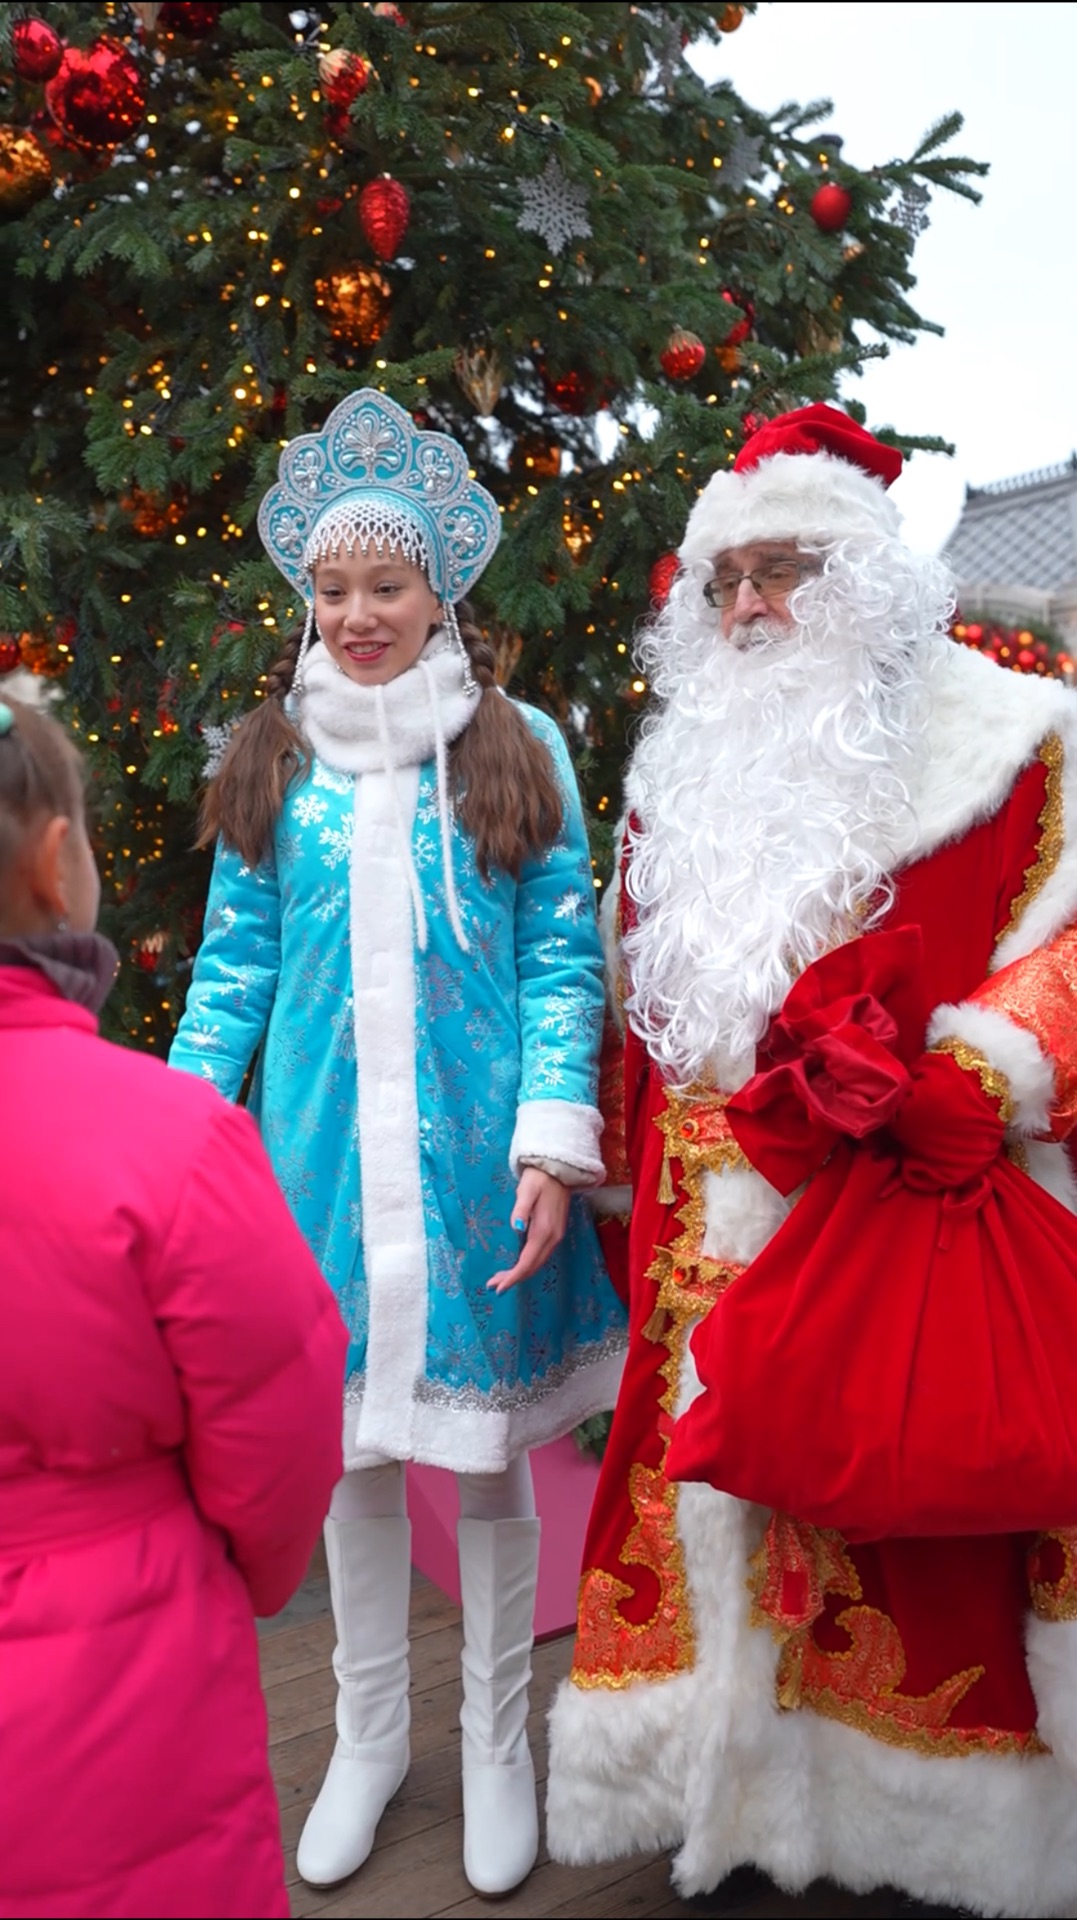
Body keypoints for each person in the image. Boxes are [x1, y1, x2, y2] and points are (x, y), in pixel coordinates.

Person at [545, 404, 1077, 1918]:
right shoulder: (672, 783)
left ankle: (904, 1828)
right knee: (707, 1526)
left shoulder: (1016, 744)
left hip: (909, 1223)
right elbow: (638, 1022)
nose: (746, 608)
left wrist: (987, 1062)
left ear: (868, 583)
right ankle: (720, 1790)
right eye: (723, 582)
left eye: (781, 571)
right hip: (698, 1242)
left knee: (913, 1532)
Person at [169, 387, 626, 1898]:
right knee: (352, 1458)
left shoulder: (516, 746)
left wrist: (555, 1143)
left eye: (387, 585)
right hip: (314, 1172)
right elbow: (233, 970)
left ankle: (498, 1742)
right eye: (332, 589)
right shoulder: (269, 758)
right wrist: (179, 1135)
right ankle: (369, 1739)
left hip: (481, 1177)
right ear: (306, 598)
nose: (357, 614)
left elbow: (564, 958)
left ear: (442, 590)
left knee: (485, 1463)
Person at [0, 696, 347, 1920]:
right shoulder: (173, 1143)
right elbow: (281, 1413)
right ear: (57, 867)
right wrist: (232, 1570)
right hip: (118, 1678)